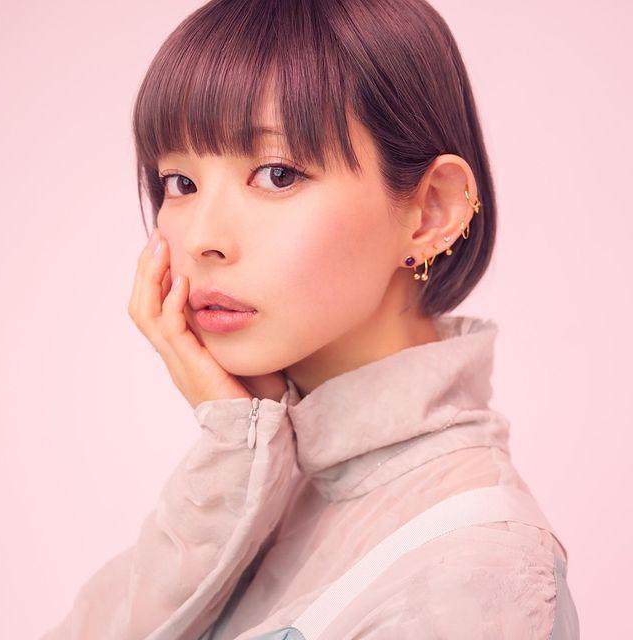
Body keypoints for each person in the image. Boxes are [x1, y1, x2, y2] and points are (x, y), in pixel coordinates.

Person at [40, 0, 580, 638]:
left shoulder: (476, 569)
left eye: (276, 175)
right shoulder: (264, 474)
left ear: (432, 210)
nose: (203, 238)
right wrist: (234, 450)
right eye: (180, 183)